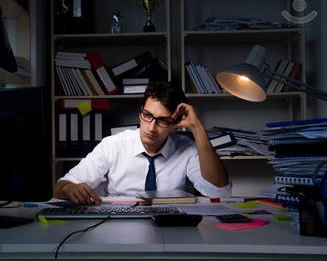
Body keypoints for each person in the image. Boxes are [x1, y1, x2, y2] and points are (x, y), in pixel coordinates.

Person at [54, 81, 231, 204]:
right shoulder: (112, 145)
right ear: (141, 112)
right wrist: (69, 189)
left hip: (169, 225)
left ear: (175, 125)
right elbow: (59, 188)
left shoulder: (187, 149)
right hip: (119, 225)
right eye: (147, 116)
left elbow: (219, 192)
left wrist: (197, 128)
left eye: (162, 121)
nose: (151, 128)